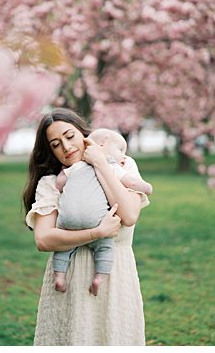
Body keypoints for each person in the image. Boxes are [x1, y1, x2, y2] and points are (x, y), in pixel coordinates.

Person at [22, 108, 150, 345]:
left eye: (70, 136)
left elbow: (129, 215)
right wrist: (96, 233)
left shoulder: (123, 164)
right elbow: (43, 239)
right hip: (69, 280)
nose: (66, 147)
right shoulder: (53, 183)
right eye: (56, 144)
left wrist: (100, 163)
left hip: (116, 276)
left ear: (84, 133)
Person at [49, 128, 153, 295]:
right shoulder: (113, 165)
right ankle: (99, 277)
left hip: (67, 222)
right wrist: (147, 188)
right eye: (120, 150)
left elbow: (59, 183)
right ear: (103, 143)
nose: (124, 156)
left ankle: (59, 277)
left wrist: (64, 173)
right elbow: (132, 183)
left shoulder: (77, 166)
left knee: (63, 250)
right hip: (96, 222)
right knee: (105, 248)